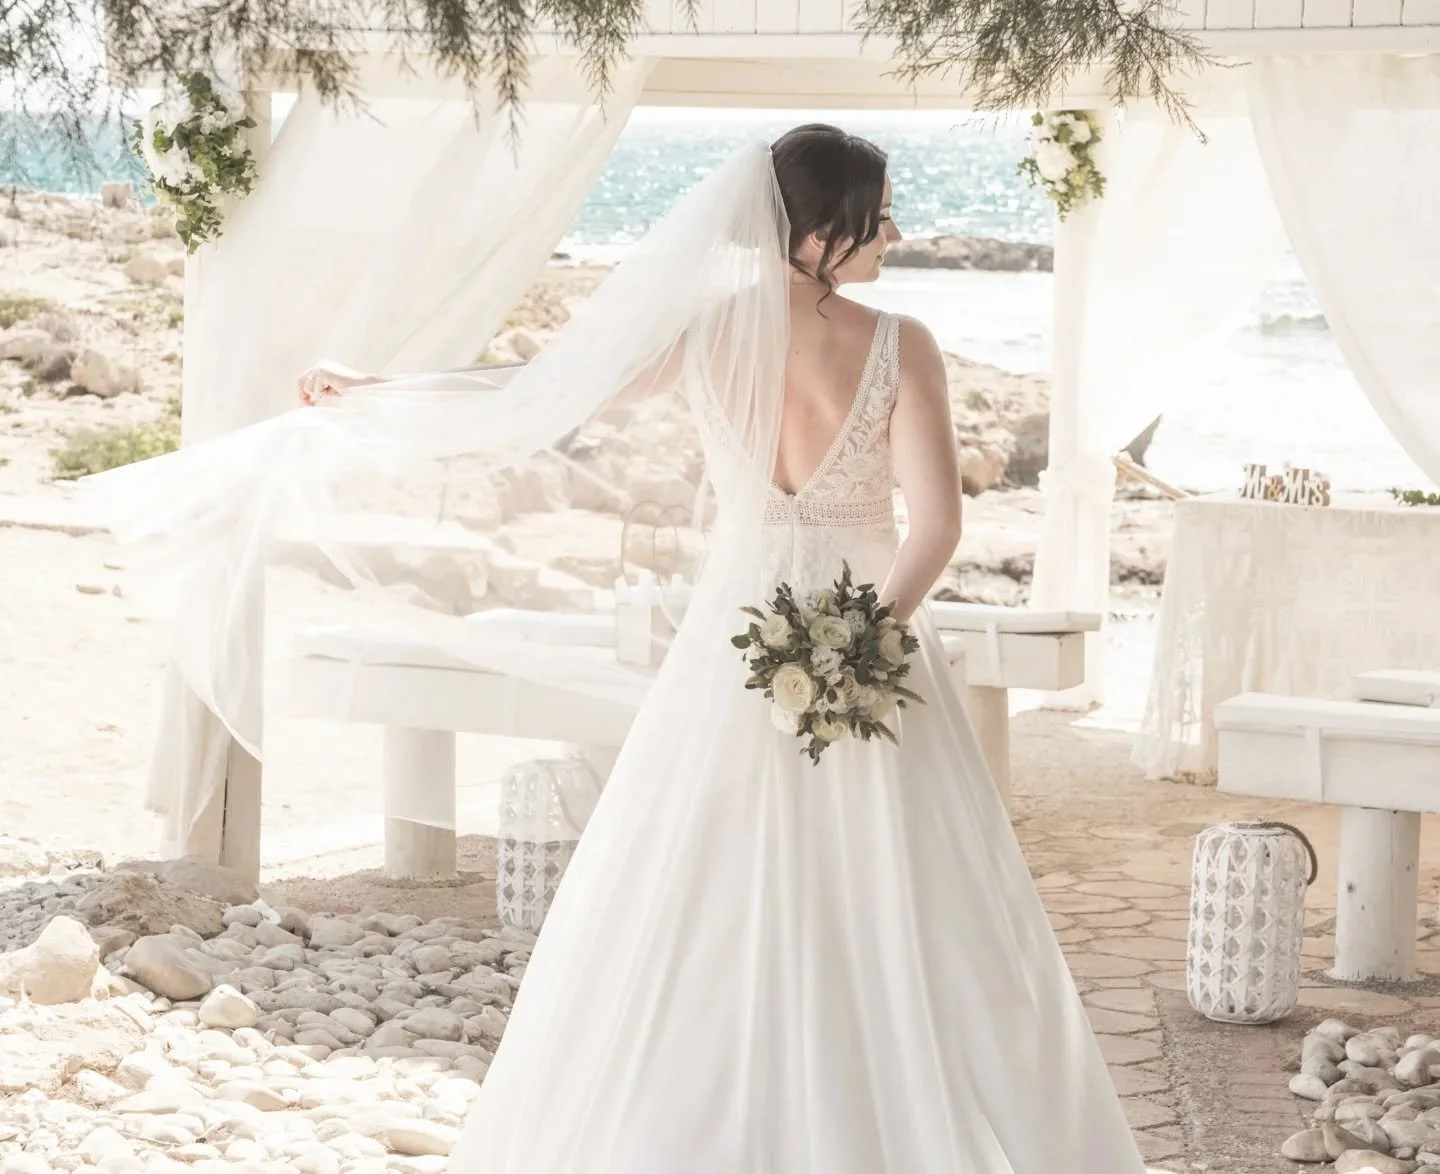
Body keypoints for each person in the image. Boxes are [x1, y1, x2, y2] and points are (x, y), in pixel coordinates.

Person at [296, 125, 1148, 1173]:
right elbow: (935, 530)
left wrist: (374, 387)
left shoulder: (711, 334)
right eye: (879, 213)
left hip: (734, 641)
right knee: (906, 892)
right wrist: (864, 647)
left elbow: (537, 390)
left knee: (699, 879)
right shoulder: (901, 344)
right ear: (822, 231)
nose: (896, 230)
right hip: (869, 645)